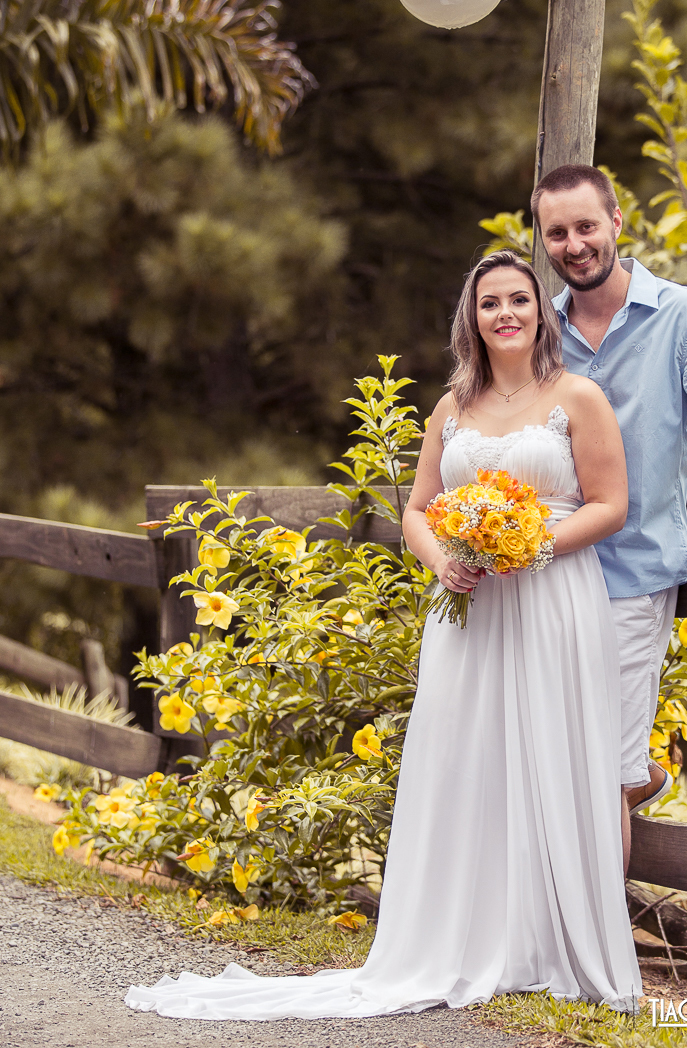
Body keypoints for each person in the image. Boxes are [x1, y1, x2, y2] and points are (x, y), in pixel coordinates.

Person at [125, 249, 641, 1020]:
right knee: (468, 758)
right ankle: (462, 935)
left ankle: (548, 941)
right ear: (471, 317)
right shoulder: (451, 408)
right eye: (489, 302)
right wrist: (445, 559)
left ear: (542, 314)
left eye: (519, 301)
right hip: (467, 607)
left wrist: (528, 546)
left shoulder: (578, 396)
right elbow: (417, 509)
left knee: (551, 751)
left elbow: (609, 505)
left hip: (554, 599)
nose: (505, 313)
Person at [531, 164, 687, 820]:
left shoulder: (684, 317)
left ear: (616, 222)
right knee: (555, 764)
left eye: (586, 225)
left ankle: (599, 916)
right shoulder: (540, 336)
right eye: (557, 232)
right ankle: (638, 782)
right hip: (546, 575)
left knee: (601, 780)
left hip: (635, 571)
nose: (574, 244)